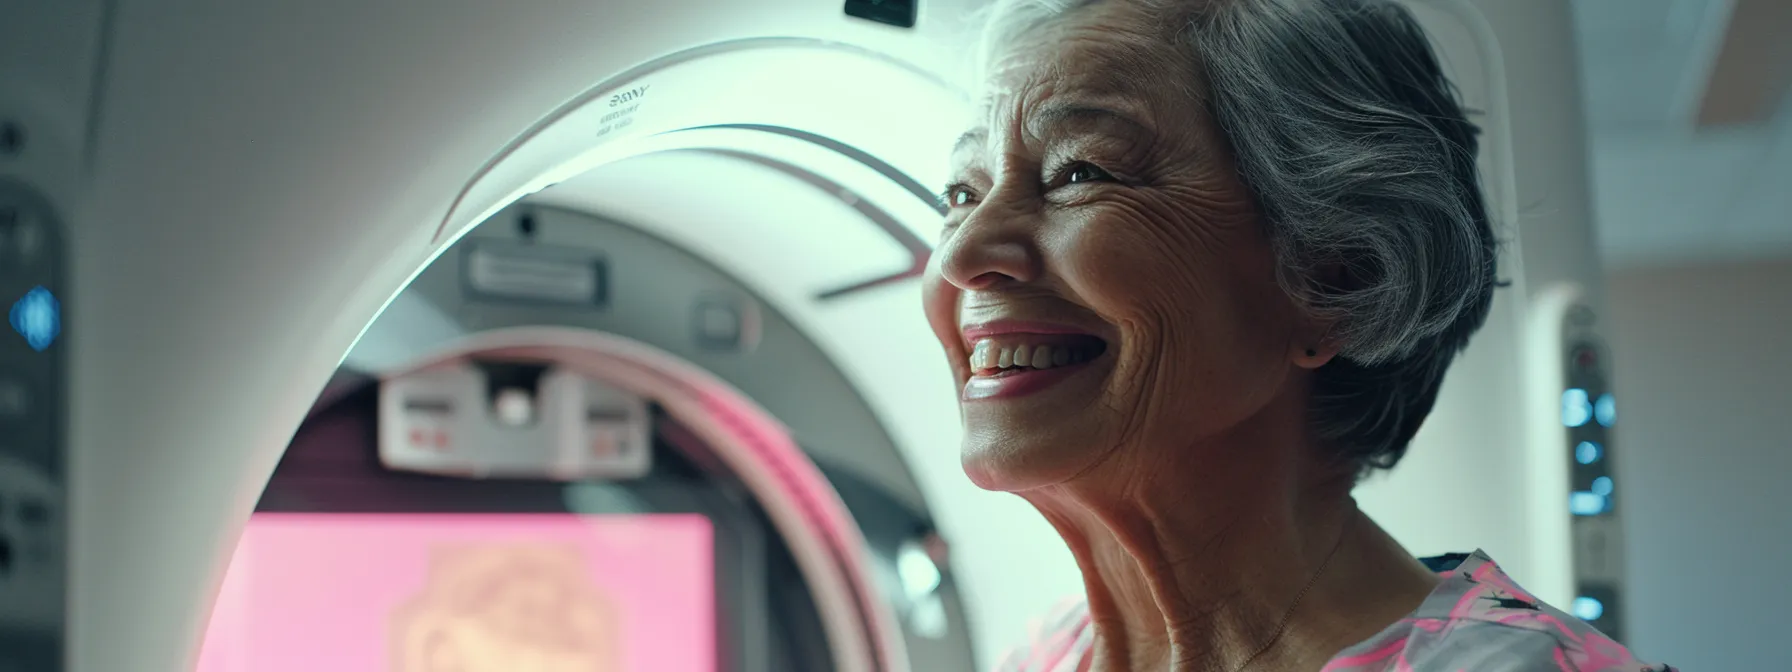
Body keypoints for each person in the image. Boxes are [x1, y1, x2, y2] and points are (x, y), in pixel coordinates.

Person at [920, 0, 1677, 670]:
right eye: (962, 191)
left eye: (1080, 173)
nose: (960, 255)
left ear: (1333, 278)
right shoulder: (1048, 654)